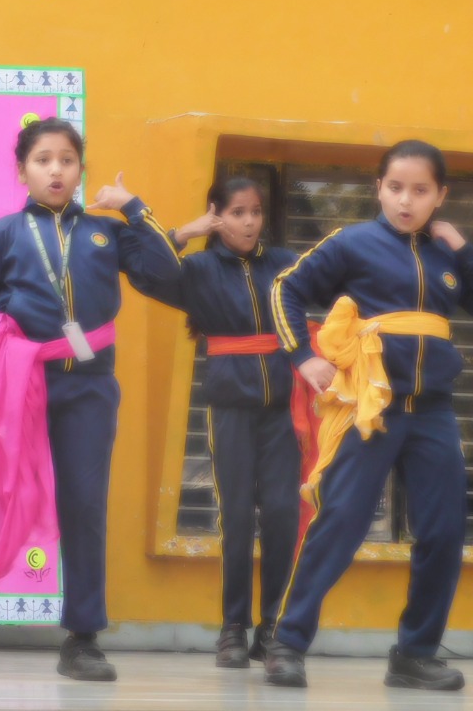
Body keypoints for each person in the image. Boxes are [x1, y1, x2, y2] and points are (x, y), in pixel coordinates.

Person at [0, 117, 178, 682]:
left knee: (85, 504)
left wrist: (133, 208)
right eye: (43, 160)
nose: (56, 170)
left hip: (90, 387)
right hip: (19, 383)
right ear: (22, 170)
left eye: (67, 160)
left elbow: (166, 276)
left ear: (81, 170)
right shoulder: (4, 232)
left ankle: (82, 639)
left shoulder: (105, 233)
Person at [265, 140, 472, 693]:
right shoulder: (353, 243)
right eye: (395, 187)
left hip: (431, 412)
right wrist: (302, 356)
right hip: (370, 407)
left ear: (440, 196)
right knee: (341, 521)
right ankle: (287, 643)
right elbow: (286, 288)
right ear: (378, 188)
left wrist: (463, 249)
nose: (406, 200)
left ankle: (415, 655)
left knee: (444, 531)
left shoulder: (447, 257)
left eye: (420, 190)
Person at [152, 178, 299, 668]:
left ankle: (273, 627)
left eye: (255, 211)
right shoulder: (197, 269)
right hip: (229, 406)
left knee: (282, 514)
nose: (249, 221)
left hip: (282, 407)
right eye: (237, 212)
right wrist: (183, 233)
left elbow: (334, 277)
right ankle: (233, 628)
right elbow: (145, 269)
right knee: (235, 516)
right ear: (217, 215)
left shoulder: (283, 264)